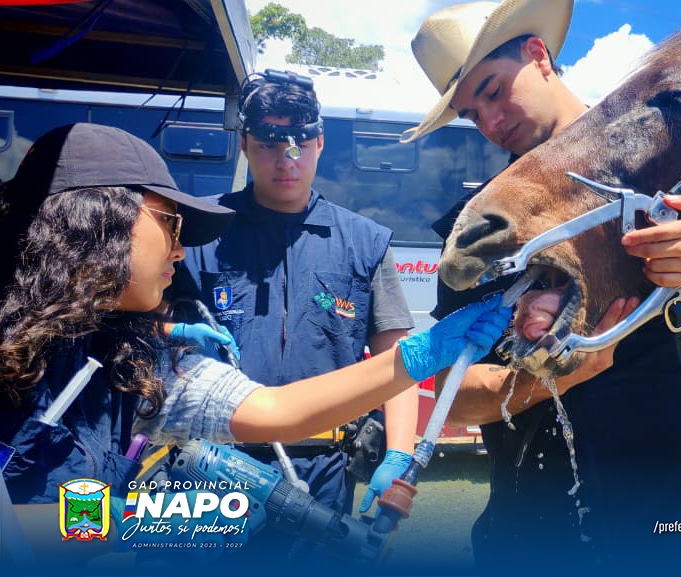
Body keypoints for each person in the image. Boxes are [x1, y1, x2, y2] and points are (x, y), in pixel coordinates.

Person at [404, 1, 681, 575]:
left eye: (493, 89)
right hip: (534, 527)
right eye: (470, 112)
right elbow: (454, 393)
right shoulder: (482, 230)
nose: (489, 120)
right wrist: (562, 370)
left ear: (538, 55)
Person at [0, 123, 512, 571]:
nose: (179, 249)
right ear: (96, 220)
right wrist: (135, 521)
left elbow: (275, 409)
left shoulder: (127, 359)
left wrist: (421, 353)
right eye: (170, 222)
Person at [167, 70, 418, 527]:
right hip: (213, 468)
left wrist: (398, 455)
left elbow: (397, 361)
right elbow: (147, 331)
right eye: (268, 145)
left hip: (324, 470)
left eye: (298, 145)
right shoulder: (200, 231)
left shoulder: (365, 242)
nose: (286, 160)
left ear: (320, 143)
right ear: (244, 144)